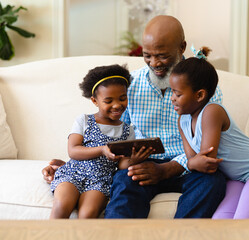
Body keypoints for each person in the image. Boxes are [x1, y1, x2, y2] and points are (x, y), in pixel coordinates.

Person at [42, 15, 226, 218]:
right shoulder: (130, 85)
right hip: (141, 164)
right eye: (147, 55)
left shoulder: (204, 87)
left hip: (188, 165)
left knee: (213, 182)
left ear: (181, 47)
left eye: (162, 56)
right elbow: (115, 136)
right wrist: (75, 166)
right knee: (124, 182)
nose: (154, 63)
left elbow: (206, 148)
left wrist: (167, 169)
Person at [169, 46, 249, 219]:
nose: (172, 98)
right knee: (219, 223)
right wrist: (193, 163)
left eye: (177, 94)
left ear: (199, 95)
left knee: (241, 223)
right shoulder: (182, 120)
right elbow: (193, 161)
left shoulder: (212, 112)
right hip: (234, 179)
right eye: (172, 92)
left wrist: (193, 163)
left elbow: (208, 161)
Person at [50, 64, 154, 219]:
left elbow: (121, 165)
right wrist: (102, 149)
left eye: (122, 98)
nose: (117, 105)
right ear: (94, 101)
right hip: (74, 174)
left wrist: (134, 160)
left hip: (100, 181)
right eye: (108, 100)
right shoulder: (84, 120)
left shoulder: (128, 130)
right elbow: (73, 150)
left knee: (88, 214)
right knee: (62, 206)